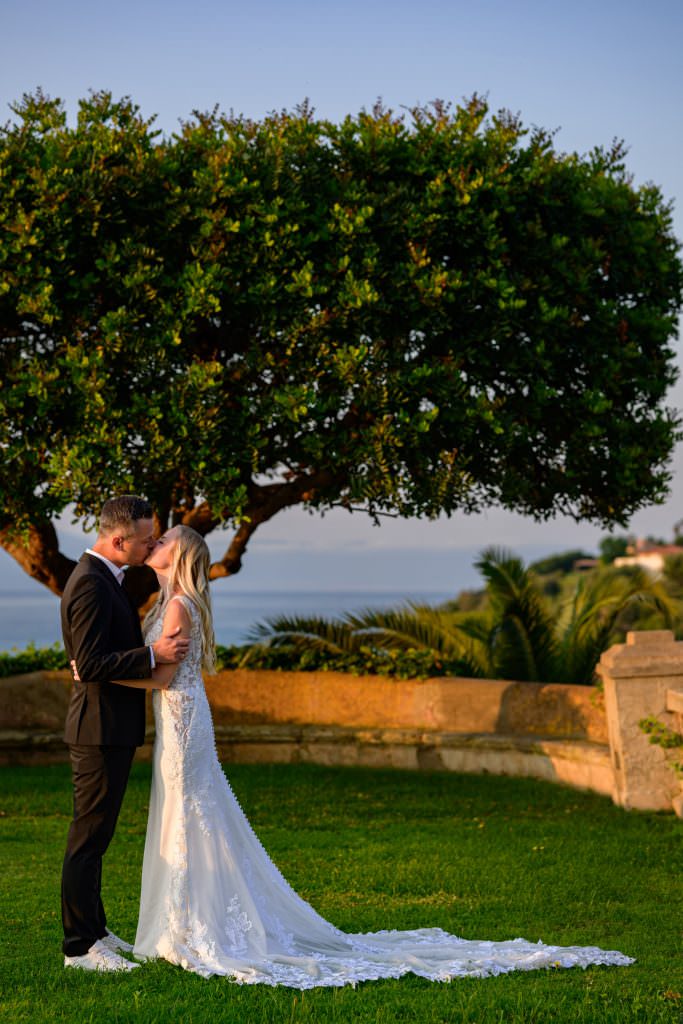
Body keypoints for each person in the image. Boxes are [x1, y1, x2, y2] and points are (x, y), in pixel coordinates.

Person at [123, 524, 633, 985]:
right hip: (180, 719)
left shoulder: (177, 606)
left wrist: (101, 671)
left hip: (183, 720)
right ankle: (186, 920)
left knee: (189, 814)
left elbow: (163, 676)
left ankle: (191, 926)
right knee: (187, 813)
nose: (156, 542)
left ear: (181, 553)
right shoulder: (171, 601)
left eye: (164, 539)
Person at [61, 495, 190, 973]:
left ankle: (95, 930)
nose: (151, 544)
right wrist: (153, 654)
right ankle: (77, 947)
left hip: (111, 728)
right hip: (96, 729)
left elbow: (91, 660)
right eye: (144, 539)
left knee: (99, 835)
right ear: (119, 540)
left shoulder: (107, 578)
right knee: (87, 838)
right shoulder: (91, 583)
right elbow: (91, 665)